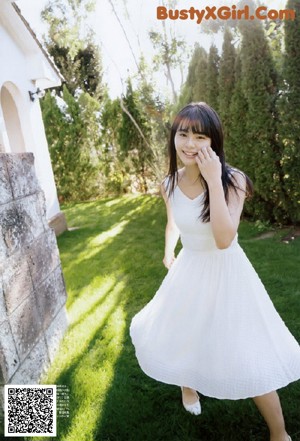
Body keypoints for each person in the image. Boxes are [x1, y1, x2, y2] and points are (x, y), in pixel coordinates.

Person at [130, 102, 300, 441]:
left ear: (214, 141)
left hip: (228, 272)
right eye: (183, 134)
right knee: (184, 332)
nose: (190, 144)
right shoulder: (168, 184)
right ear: (173, 137)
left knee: (247, 350)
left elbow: (224, 238)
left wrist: (212, 179)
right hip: (189, 268)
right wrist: (169, 250)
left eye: (200, 135)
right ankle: (188, 388)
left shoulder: (232, 180)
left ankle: (278, 433)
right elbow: (173, 223)